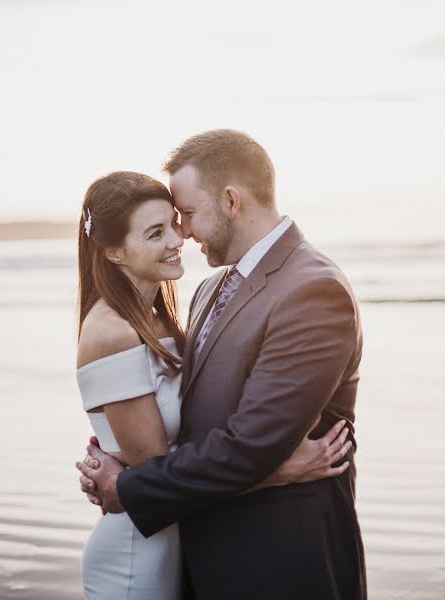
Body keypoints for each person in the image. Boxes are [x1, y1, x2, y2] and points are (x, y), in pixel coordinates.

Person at [77, 126, 367, 599]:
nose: (182, 235)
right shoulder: (211, 289)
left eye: (186, 215)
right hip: (202, 553)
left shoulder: (312, 290)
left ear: (232, 200)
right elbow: (188, 419)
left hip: (280, 560)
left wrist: (129, 487)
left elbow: (251, 445)